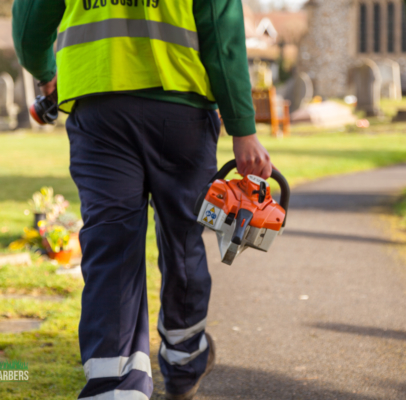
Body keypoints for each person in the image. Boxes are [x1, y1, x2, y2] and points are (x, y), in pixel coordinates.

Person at [12, 0, 272, 399]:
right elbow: (222, 33)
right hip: (182, 109)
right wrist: (242, 128)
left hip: (99, 108)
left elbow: (31, 23)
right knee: (183, 240)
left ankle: (114, 387)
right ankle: (185, 360)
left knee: (111, 244)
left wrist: (47, 75)